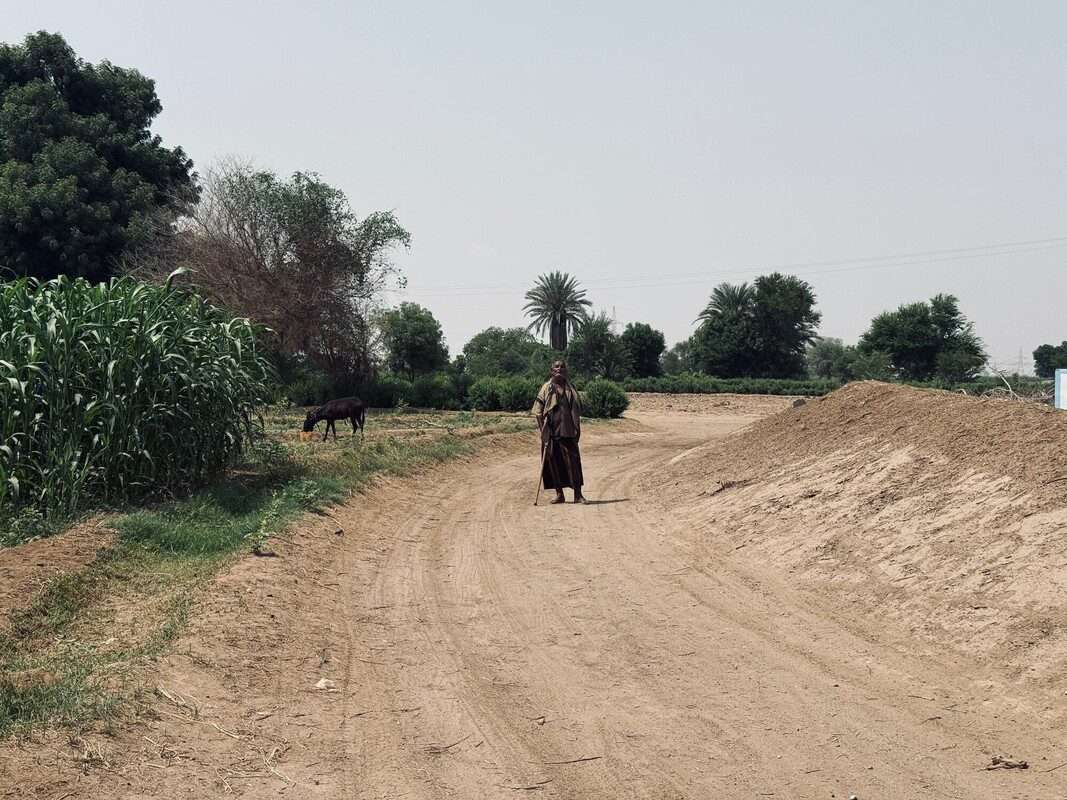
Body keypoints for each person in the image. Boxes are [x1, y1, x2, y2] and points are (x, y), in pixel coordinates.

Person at [532, 359, 586, 504]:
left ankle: (578, 495)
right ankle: (559, 494)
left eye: (562, 367)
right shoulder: (547, 388)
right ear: (551, 370)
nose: (559, 369)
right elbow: (538, 411)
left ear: (566, 370)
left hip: (569, 431)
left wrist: (577, 428)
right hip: (552, 432)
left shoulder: (571, 388)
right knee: (553, 464)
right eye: (556, 367)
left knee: (574, 462)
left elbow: (577, 410)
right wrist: (543, 432)